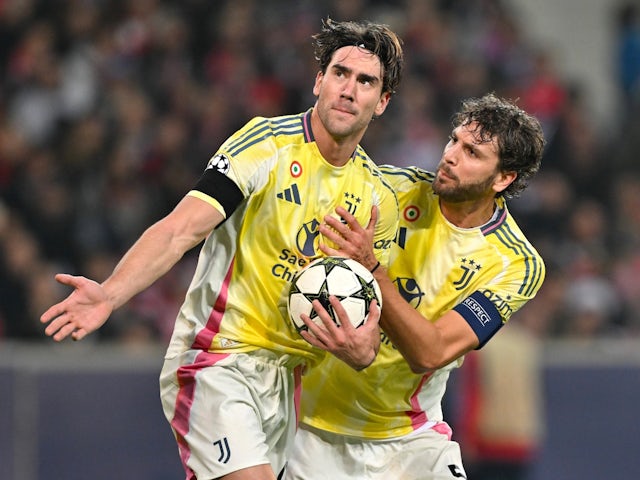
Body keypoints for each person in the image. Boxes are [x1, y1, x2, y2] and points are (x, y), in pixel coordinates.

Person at [39, 18, 404, 480]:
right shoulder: (266, 145)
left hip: (287, 384)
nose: (349, 89)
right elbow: (180, 229)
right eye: (339, 73)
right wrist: (111, 293)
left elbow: (369, 326)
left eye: (366, 81)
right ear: (319, 81)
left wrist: (360, 350)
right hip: (217, 360)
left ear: (383, 102)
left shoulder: (377, 199)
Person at [286, 93, 546, 480]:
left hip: (409, 439)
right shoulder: (387, 189)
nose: (452, 156)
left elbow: (431, 352)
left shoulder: (516, 263)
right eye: (453, 140)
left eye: (472, 153)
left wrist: (371, 267)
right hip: (308, 428)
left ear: (503, 178)